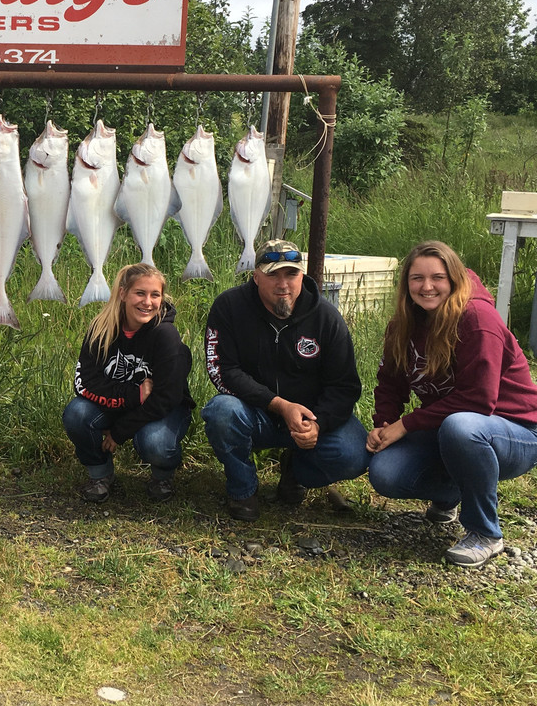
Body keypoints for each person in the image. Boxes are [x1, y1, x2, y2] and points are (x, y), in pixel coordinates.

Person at [367, 241, 537, 568]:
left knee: (461, 426)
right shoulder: (403, 324)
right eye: (417, 278)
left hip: (516, 430)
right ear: (406, 283)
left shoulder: (477, 318)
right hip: (449, 428)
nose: (426, 286)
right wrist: (384, 423)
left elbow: (478, 400)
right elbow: (390, 381)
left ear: (454, 279)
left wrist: (406, 425)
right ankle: (449, 495)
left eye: (438, 278)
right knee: (385, 472)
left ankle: (485, 533)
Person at [202, 239, 368, 521]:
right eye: (273, 275)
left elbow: (344, 386)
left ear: (302, 275)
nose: (283, 284)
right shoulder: (228, 307)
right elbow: (222, 370)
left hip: (308, 418)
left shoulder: (327, 317)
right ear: (256, 277)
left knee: (354, 455)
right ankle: (242, 489)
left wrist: (318, 423)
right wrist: (279, 405)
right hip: (255, 413)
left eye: (291, 274)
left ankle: (296, 470)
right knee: (221, 412)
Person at [62, 263, 195, 504]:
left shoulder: (166, 335)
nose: (148, 302)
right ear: (123, 294)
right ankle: (100, 474)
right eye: (140, 293)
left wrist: (120, 431)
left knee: (155, 442)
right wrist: (134, 395)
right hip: (122, 402)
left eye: (155, 295)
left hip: (163, 409)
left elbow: (166, 398)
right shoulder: (100, 328)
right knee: (77, 413)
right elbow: (84, 383)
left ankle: (162, 476)